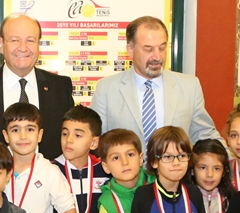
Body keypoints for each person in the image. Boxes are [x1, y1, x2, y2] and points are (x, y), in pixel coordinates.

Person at [0, 13, 75, 161]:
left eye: (30, 40)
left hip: (49, 175)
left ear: (39, 44)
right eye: (14, 40)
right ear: (1, 44)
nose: (23, 48)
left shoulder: (60, 87)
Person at [91, 16, 222, 148]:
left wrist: (230, 158)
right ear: (131, 50)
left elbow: (204, 134)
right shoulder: (106, 89)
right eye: (148, 49)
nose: (157, 57)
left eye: (162, 48)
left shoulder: (189, 87)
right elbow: (94, 139)